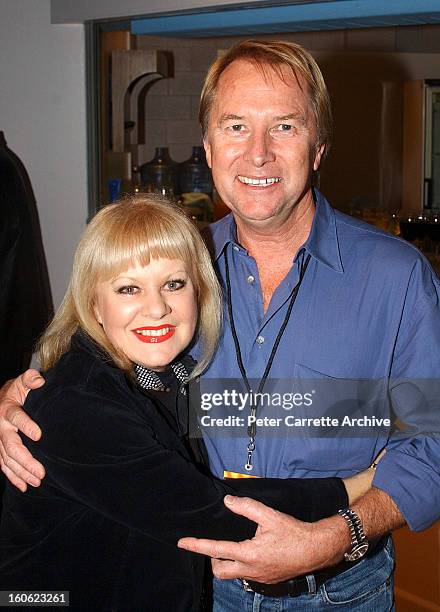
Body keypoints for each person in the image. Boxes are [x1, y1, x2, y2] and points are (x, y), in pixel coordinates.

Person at [1, 39, 440, 610]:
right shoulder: (173, 270)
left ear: (319, 146)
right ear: (208, 148)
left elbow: (431, 441)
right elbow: (81, 365)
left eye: (284, 126)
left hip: (338, 589)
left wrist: (338, 534)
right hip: (198, 587)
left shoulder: (397, 278)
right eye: (235, 126)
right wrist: (16, 398)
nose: (257, 153)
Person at [0, 195, 372, 612]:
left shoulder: (169, 377)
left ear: (199, 290)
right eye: (128, 288)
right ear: (93, 306)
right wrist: (357, 485)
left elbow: (264, 407)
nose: (157, 308)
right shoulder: (78, 407)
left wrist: (389, 415)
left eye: (173, 284)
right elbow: (212, 512)